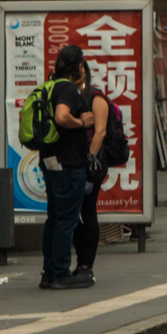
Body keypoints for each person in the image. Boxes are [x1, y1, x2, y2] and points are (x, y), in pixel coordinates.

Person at [40, 44, 95, 290]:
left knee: (54, 218)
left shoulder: (49, 87)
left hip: (51, 160)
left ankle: (49, 272)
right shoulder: (68, 89)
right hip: (69, 163)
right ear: (80, 66)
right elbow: (62, 116)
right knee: (66, 220)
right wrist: (81, 121)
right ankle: (61, 272)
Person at [71, 66, 114, 286]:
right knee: (73, 213)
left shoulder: (95, 97)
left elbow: (100, 131)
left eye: (77, 70)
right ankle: (80, 264)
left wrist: (90, 159)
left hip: (91, 164)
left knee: (87, 210)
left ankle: (87, 265)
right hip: (72, 161)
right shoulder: (67, 95)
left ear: (85, 72)